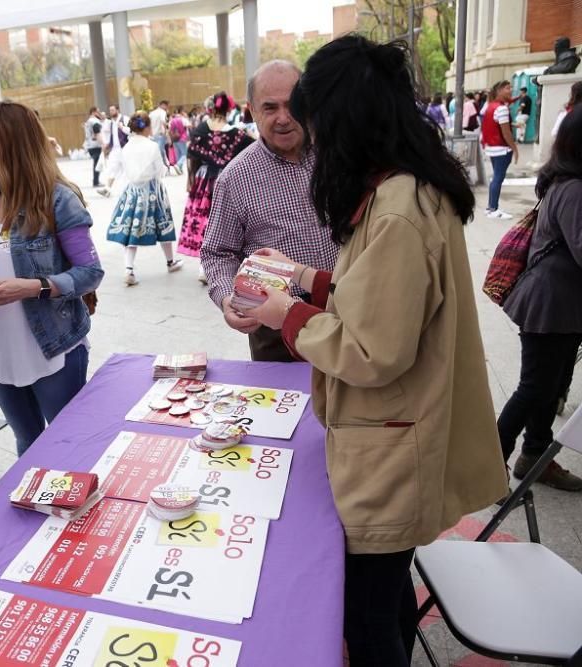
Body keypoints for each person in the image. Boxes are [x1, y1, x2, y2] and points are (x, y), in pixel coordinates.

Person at [245, 36, 507, 666]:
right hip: (400, 430)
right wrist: (310, 278)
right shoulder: (407, 186)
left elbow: (373, 349)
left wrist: (290, 315)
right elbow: (388, 298)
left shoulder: (395, 209)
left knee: (367, 622)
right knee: (384, 600)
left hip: (391, 440)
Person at [0, 101, 103, 456]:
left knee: (68, 447)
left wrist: (35, 288)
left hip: (53, 349)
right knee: (28, 446)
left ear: (15, 145)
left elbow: (91, 272)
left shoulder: (58, 200)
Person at [201, 62, 339, 362]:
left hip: (346, 307)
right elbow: (217, 252)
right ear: (251, 110)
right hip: (275, 327)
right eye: (270, 107)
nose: (284, 118)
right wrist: (227, 298)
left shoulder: (339, 158)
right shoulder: (235, 178)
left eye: (293, 105)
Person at [496, 108, 582, 492]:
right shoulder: (574, 188)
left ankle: (536, 455)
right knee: (534, 388)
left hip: (565, 308)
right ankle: (490, 464)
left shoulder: (568, 183)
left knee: (552, 385)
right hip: (548, 306)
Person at [177, 91, 253, 281]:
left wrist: (190, 180)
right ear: (228, 109)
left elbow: (191, 157)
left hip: (203, 182)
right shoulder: (238, 134)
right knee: (225, 223)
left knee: (203, 221)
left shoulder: (200, 130)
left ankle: (204, 268)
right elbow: (253, 150)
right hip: (226, 182)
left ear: (211, 108)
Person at [106, 112, 183, 286]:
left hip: (132, 192)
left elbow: (120, 170)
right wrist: (171, 170)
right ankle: (170, 262)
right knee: (163, 224)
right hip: (153, 190)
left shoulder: (126, 147)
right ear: (147, 127)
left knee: (131, 229)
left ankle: (129, 269)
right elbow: (160, 170)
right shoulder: (152, 146)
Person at [481, 80, 518, 219]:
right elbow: (506, 133)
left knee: (496, 177)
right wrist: (515, 148)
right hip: (501, 148)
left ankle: (491, 207)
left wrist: (512, 125)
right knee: (498, 178)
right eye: (508, 88)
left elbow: (497, 124)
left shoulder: (491, 106)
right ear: (499, 90)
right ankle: (493, 208)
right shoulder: (502, 108)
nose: (510, 91)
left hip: (492, 147)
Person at [96, 104, 129, 197]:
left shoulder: (125, 119)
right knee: (111, 169)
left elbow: (130, 131)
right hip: (115, 149)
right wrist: (106, 145)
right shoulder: (110, 122)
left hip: (125, 149)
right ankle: (107, 189)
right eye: (110, 110)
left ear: (117, 110)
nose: (111, 112)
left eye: (113, 110)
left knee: (127, 170)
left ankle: (128, 190)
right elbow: (107, 134)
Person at [82, 106, 103, 187]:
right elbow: (96, 133)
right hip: (95, 144)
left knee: (96, 163)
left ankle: (96, 180)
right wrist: (102, 143)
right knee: (97, 163)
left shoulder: (88, 121)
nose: (99, 113)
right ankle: (96, 181)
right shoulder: (94, 121)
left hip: (89, 144)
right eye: (98, 111)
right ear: (93, 112)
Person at [168, 106, 189, 175]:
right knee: (185, 154)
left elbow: (169, 129)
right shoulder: (183, 119)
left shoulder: (172, 120)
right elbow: (189, 125)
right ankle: (178, 165)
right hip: (182, 138)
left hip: (174, 139)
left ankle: (179, 169)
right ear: (182, 112)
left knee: (178, 154)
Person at [149, 100, 170, 164]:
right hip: (160, 135)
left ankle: (161, 166)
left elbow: (148, 124)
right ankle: (165, 166)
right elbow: (163, 122)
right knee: (161, 152)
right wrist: (167, 133)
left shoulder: (151, 113)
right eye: (167, 106)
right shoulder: (162, 112)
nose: (167, 108)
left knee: (156, 152)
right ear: (163, 105)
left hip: (152, 135)